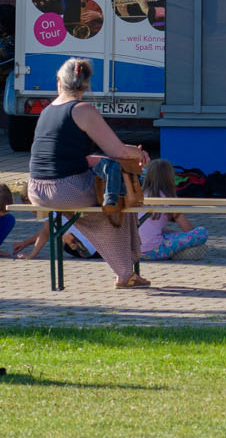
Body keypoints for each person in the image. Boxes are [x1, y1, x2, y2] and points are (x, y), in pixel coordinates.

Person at [24, 57, 151, 289]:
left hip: (36, 188)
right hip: (64, 189)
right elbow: (117, 150)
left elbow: (71, 157)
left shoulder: (48, 110)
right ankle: (125, 272)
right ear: (86, 84)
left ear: (59, 82)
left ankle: (127, 271)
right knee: (119, 200)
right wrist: (138, 154)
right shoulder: (82, 110)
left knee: (114, 205)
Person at [137, 158, 208, 262]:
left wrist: (176, 234)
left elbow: (148, 228)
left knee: (169, 234)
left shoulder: (139, 196)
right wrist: (185, 236)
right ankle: (177, 252)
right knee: (202, 232)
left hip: (133, 250)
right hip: (153, 250)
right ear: (170, 177)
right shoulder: (167, 199)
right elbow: (188, 229)